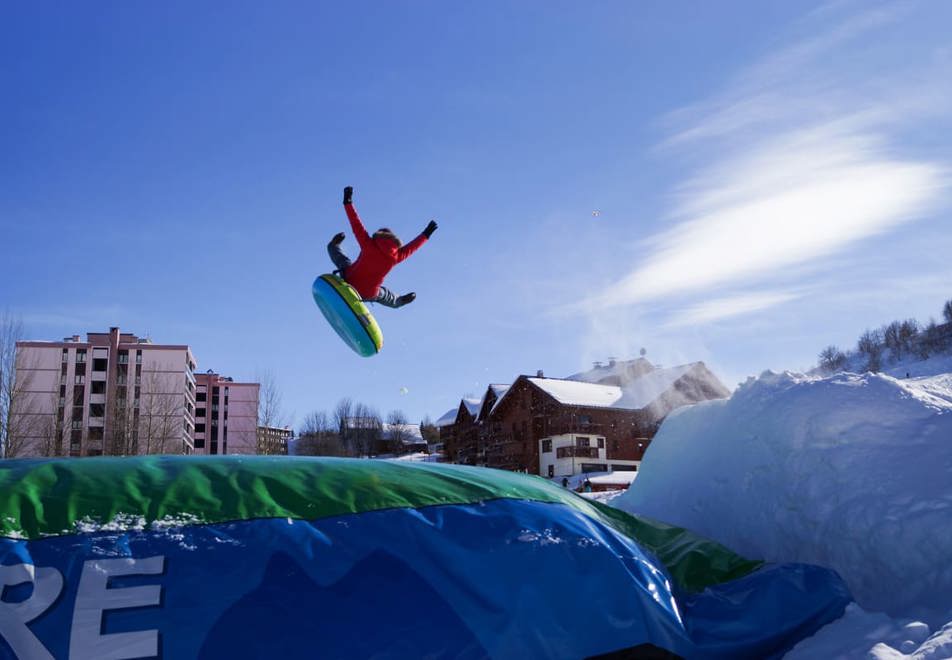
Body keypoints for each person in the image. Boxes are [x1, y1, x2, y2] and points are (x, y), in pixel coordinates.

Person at [328, 186, 437, 308]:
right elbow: (413, 247)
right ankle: (401, 301)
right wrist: (426, 234)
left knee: (337, 254)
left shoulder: (368, 244)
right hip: (368, 293)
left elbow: (356, 224)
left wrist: (348, 202)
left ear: (378, 236)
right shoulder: (396, 256)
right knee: (387, 296)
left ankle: (335, 243)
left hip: (349, 279)